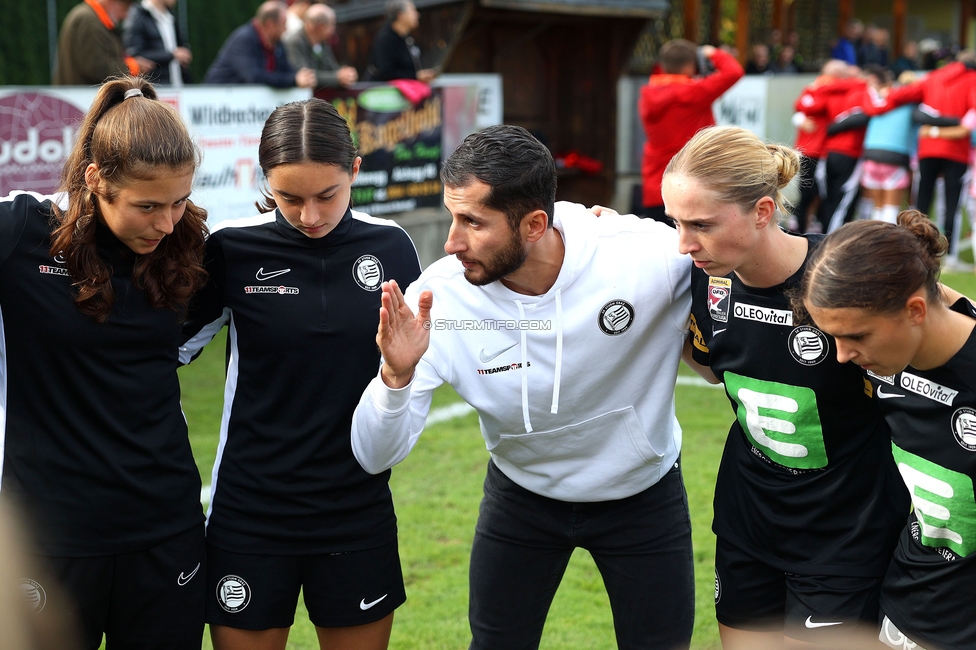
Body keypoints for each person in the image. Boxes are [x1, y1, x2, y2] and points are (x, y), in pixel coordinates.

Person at [351, 125, 696, 650]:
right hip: (521, 497)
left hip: (642, 494)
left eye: (473, 221)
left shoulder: (646, 256)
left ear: (535, 224)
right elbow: (374, 457)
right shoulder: (437, 300)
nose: (451, 242)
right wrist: (394, 379)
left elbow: (744, 258)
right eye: (452, 216)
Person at [179, 98, 421, 650]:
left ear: (355, 171)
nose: (310, 215)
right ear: (265, 180)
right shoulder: (232, 249)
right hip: (251, 510)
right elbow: (159, 350)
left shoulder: (392, 247)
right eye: (290, 197)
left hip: (355, 509)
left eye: (327, 196)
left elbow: (424, 362)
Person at [663, 126, 908, 649]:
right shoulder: (704, 275)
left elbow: (943, 321)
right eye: (676, 223)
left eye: (701, 224)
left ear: (763, 210)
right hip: (748, 522)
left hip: (846, 533)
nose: (684, 244)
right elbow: (713, 366)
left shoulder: (844, 275)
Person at [0, 76, 208, 649]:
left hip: (166, 530)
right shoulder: (21, 233)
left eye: (180, 201)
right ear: (95, 180)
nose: (166, 223)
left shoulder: (190, 245)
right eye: (147, 206)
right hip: (47, 539)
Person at [800, 211, 976, 650]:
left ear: (915, 309)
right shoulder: (883, 357)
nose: (840, 356)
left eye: (856, 335)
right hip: (904, 613)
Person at [638, 39, 744, 224]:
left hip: (656, 187)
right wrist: (712, 53)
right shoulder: (694, 92)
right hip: (692, 185)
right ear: (689, 66)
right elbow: (734, 72)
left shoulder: (648, 94)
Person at [203, 1, 316, 89]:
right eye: (283, 24)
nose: (286, 29)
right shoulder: (243, 40)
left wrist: (300, 77)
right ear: (270, 25)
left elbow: (286, 70)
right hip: (219, 105)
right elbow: (254, 76)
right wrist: (294, 80)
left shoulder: (277, 42)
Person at [53, 0, 153, 85]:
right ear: (111, 2)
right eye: (124, 9)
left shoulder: (92, 18)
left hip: (79, 99)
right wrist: (133, 67)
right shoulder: (89, 21)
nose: (125, 16)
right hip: (81, 101)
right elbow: (96, 68)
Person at [283, 3, 358, 89]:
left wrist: (345, 74)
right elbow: (305, 75)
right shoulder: (294, 42)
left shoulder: (323, 41)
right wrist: (337, 78)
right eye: (332, 24)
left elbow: (332, 68)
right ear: (321, 26)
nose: (334, 29)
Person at [123, 0, 192, 86]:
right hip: (152, 89)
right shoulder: (137, 16)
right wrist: (172, 55)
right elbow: (134, 56)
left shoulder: (171, 17)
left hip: (177, 87)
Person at [366, 0, 437, 83]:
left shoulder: (407, 39)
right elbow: (386, 72)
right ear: (401, 15)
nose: (417, 15)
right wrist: (416, 76)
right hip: (387, 93)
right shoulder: (386, 39)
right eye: (412, 10)